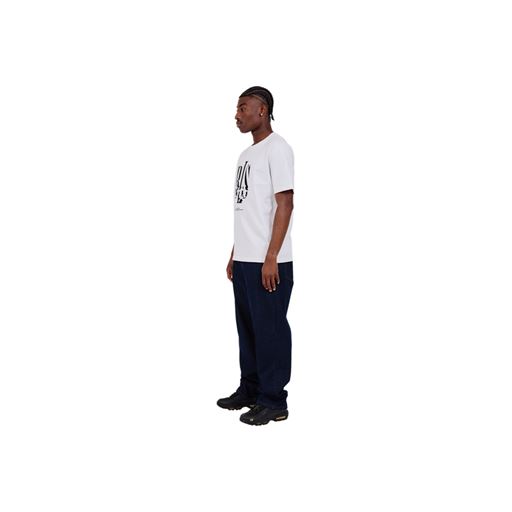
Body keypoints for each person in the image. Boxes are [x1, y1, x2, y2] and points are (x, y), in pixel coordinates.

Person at [217, 86, 295, 426]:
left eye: (243, 107)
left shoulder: (277, 149)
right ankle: (250, 389)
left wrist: (271, 256)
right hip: (246, 260)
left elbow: (285, 203)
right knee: (248, 330)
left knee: (270, 332)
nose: (237, 115)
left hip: (269, 262)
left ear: (262, 110)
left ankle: (273, 400)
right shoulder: (246, 155)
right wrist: (236, 253)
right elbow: (247, 208)